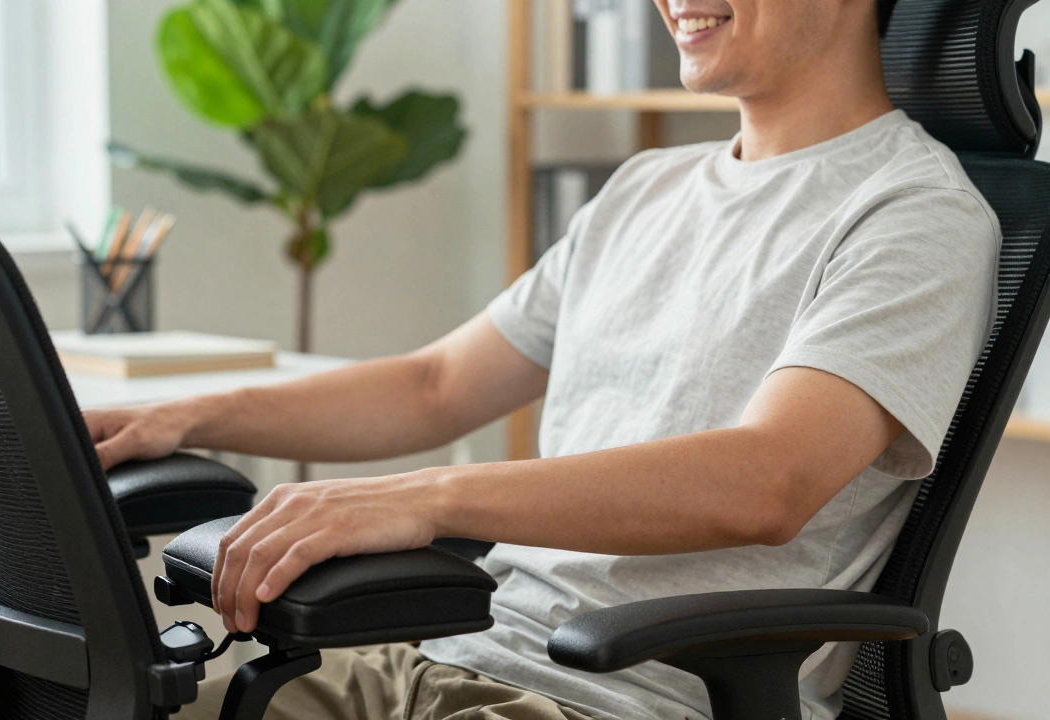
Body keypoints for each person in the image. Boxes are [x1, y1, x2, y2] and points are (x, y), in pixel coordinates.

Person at [85, 0, 1001, 717]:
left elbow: (770, 479)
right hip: (447, 659)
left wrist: (423, 498)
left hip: (611, 700)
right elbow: (434, 384)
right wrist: (191, 416)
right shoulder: (646, 187)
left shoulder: (914, 213)